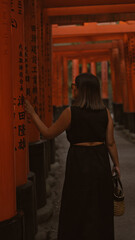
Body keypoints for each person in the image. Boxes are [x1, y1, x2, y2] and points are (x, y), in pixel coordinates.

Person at [25, 73, 120, 240]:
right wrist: (116, 165)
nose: (72, 89)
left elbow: (48, 133)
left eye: (74, 86)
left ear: (82, 90)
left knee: (77, 205)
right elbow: (111, 143)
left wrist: (33, 114)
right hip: (100, 161)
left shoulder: (71, 112)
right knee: (100, 205)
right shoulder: (104, 113)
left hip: (79, 161)